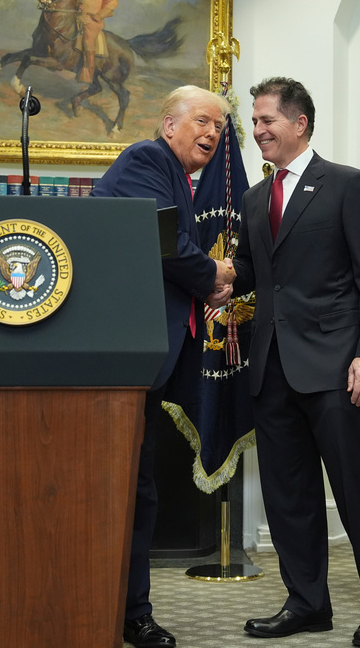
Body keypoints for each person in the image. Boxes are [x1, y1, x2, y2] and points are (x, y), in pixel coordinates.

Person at [232, 77, 360, 648]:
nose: (257, 131)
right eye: (255, 122)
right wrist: (210, 282)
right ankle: (307, 603)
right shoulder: (255, 198)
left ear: (299, 123)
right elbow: (256, 277)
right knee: (288, 496)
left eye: (266, 121)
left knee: (354, 489)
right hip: (271, 367)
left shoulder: (346, 185)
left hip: (334, 365)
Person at [91, 85, 235, 648]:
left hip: (146, 361)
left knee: (137, 487)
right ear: (168, 123)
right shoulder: (146, 159)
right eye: (202, 121)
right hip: (120, 360)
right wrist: (215, 275)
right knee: (124, 488)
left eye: (220, 128)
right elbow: (166, 242)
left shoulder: (179, 176)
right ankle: (123, 610)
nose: (212, 134)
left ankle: (131, 609)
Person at [77, 0, 118, 84]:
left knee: (88, 42)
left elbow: (113, 2)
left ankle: (88, 74)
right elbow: (78, 1)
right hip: (78, 18)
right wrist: (78, 6)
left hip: (92, 21)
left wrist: (100, 15)